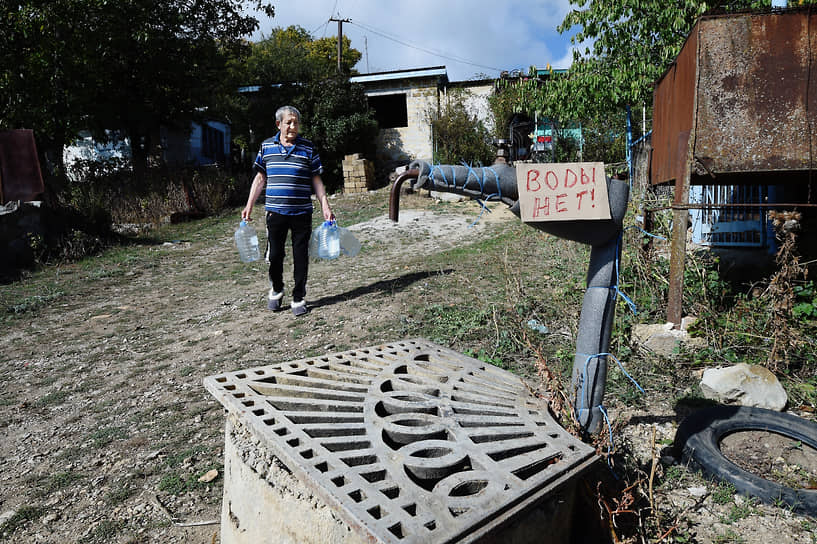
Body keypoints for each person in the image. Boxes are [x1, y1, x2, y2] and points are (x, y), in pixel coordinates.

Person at [242, 106, 333, 316]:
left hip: (302, 213)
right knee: (275, 255)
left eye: (296, 123)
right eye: (288, 122)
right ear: (279, 124)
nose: (292, 126)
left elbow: (316, 180)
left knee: (300, 256)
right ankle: (276, 288)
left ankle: (299, 296)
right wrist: (248, 206)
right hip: (275, 213)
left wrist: (325, 205)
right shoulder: (266, 147)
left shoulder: (308, 148)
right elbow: (259, 179)